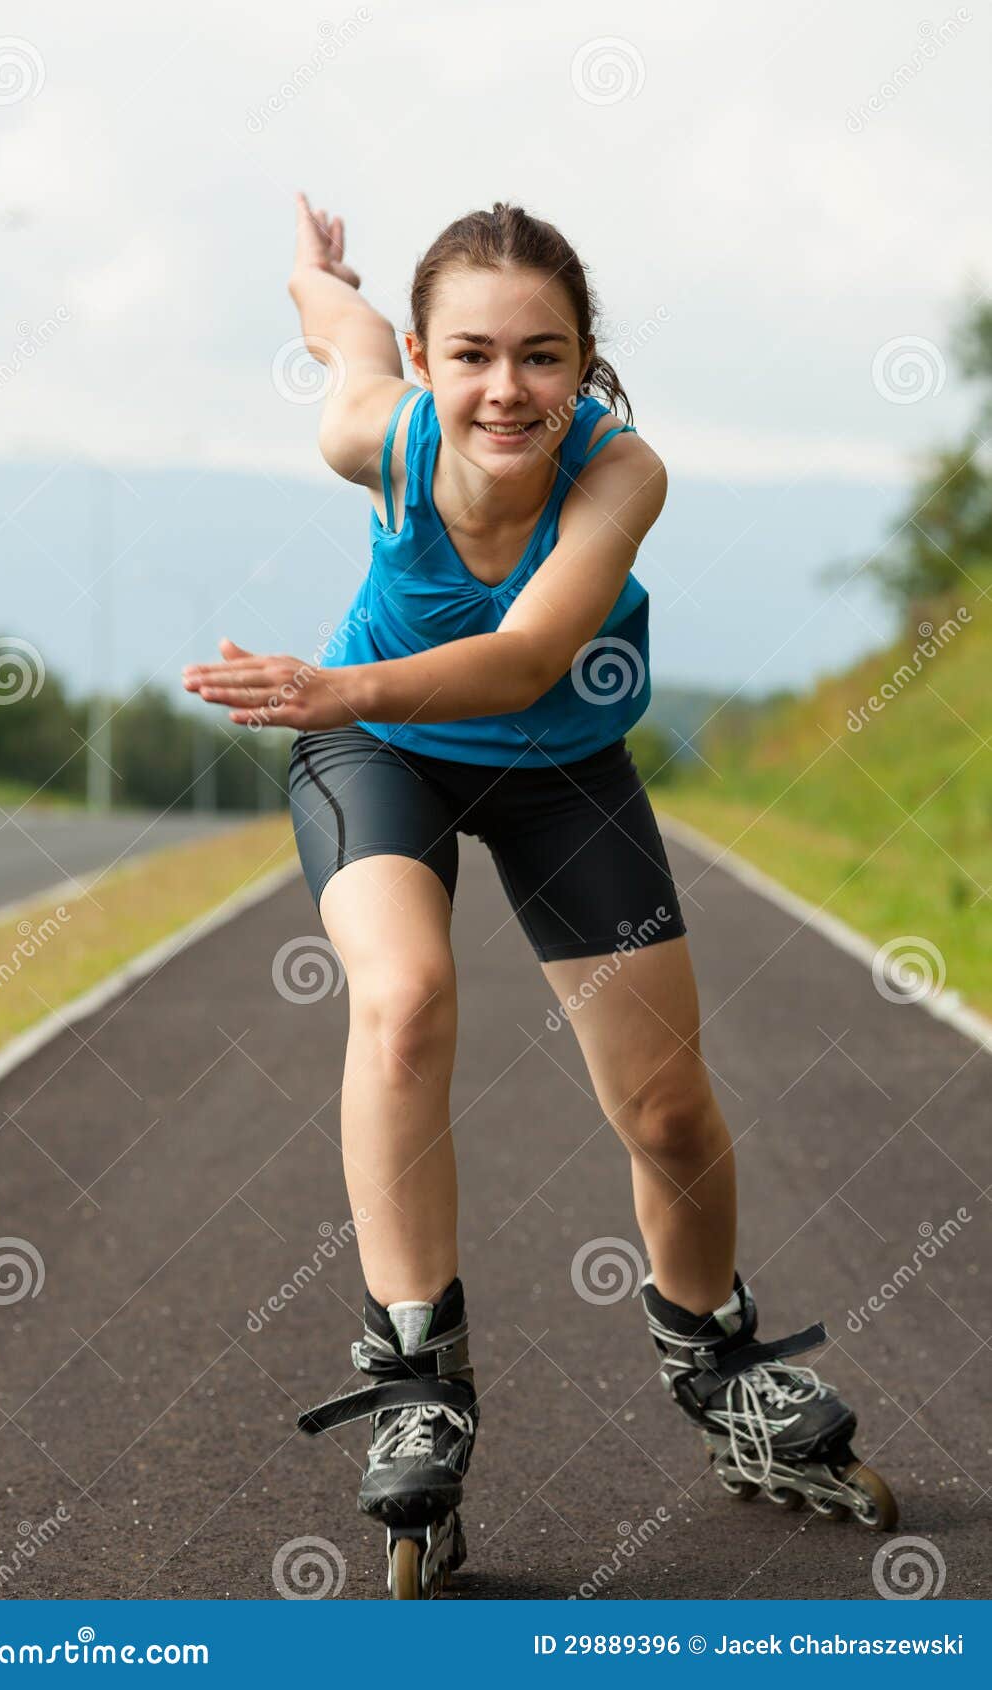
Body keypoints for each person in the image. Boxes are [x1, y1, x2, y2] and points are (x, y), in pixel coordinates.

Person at [182, 196, 891, 1579]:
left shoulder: (623, 478)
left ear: (585, 364)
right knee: (403, 999)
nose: (507, 388)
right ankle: (416, 1375)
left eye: (543, 355)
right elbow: (341, 338)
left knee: (669, 1105)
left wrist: (335, 677)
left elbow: (521, 659)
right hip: (374, 748)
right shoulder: (373, 438)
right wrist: (316, 276)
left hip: (554, 758)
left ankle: (716, 1357)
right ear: (428, 358)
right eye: (473, 354)